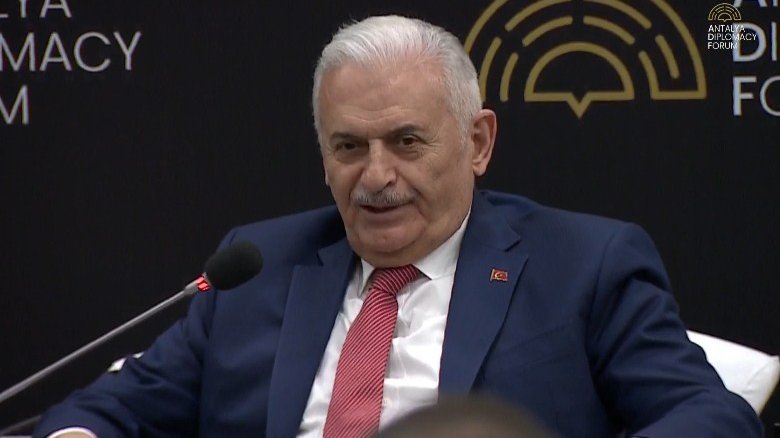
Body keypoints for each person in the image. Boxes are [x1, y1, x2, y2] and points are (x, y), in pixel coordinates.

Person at [34, 15, 761, 438]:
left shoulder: (583, 264)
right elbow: (106, 410)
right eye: (348, 146)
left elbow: (709, 415)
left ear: (477, 143)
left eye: (407, 142)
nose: (375, 175)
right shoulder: (258, 267)